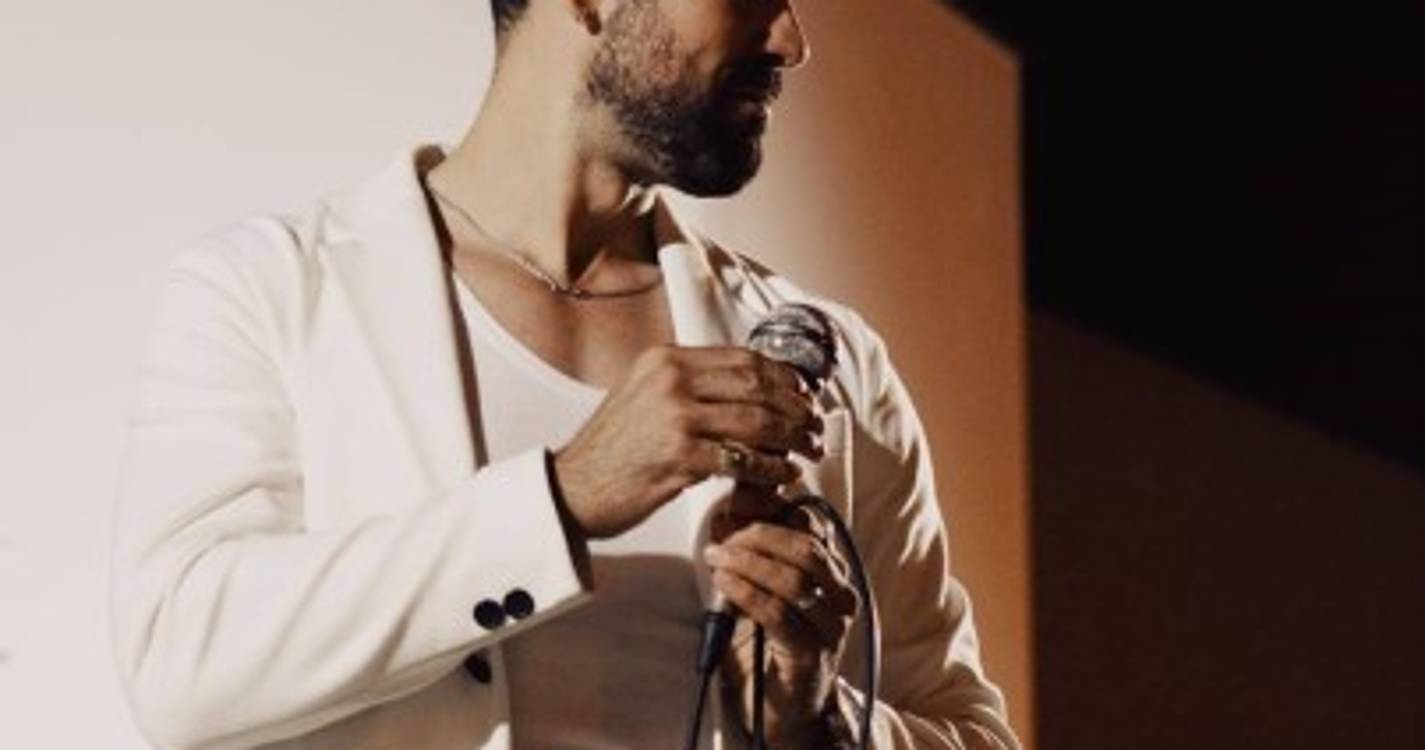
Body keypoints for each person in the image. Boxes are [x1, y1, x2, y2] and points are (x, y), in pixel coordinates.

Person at [110, 0, 1020, 747]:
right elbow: (178, 664)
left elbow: (970, 731)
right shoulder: (271, 289)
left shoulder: (836, 361)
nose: (790, 40)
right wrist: (564, 496)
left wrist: (816, 720)